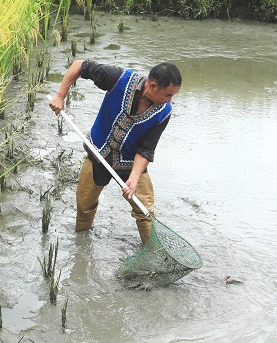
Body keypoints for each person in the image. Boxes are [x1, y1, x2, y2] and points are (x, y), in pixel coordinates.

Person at [48, 59, 181, 244]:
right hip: (99, 154)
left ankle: (153, 251)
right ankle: (81, 244)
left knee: (145, 211)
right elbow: (79, 65)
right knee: (85, 204)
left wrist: (133, 180)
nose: (170, 101)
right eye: (168, 95)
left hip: (130, 162)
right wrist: (60, 95)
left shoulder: (163, 112)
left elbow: (146, 149)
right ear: (153, 86)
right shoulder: (119, 79)